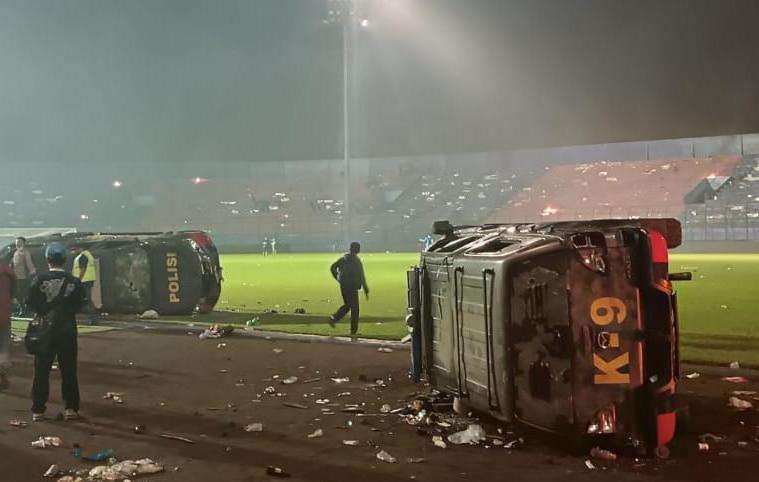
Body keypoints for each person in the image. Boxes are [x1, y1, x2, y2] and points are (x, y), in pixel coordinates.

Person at [28, 243, 85, 421]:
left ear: (47, 259)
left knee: (41, 371)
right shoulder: (74, 281)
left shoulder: (39, 279)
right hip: (67, 329)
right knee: (69, 370)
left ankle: (38, 410)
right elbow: (80, 304)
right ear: (65, 260)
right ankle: (71, 409)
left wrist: (44, 311)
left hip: (45, 330)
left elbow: (29, 301)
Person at [328, 242, 369, 336]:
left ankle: (334, 318)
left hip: (344, 285)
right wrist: (365, 288)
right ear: (357, 249)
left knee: (348, 305)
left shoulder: (344, 258)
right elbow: (361, 275)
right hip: (352, 286)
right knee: (355, 309)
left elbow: (332, 267)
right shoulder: (356, 260)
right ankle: (353, 331)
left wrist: (338, 278)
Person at [11, 237, 36, 317]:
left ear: (24, 243)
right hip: (16, 277)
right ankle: (21, 308)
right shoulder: (16, 252)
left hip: (23, 278)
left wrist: (32, 273)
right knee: (17, 294)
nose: (17, 244)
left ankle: (23, 310)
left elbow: (29, 264)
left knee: (21, 294)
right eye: (16, 242)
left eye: (19, 242)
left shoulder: (25, 253)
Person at [72, 248, 98, 324]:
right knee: (86, 299)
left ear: (79, 248)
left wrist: (78, 280)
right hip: (86, 280)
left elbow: (82, 269)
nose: (73, 251)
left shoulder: (83, 256)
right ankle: (92, 318)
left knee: (87, 299)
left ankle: (92, 318)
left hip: (84, 281)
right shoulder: (87, 255)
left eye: (74, 249)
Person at [0, 261, 14, 390]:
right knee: (4, 346)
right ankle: (2, 375)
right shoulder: (7, 270)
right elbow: (14, 290)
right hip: (4, 312)